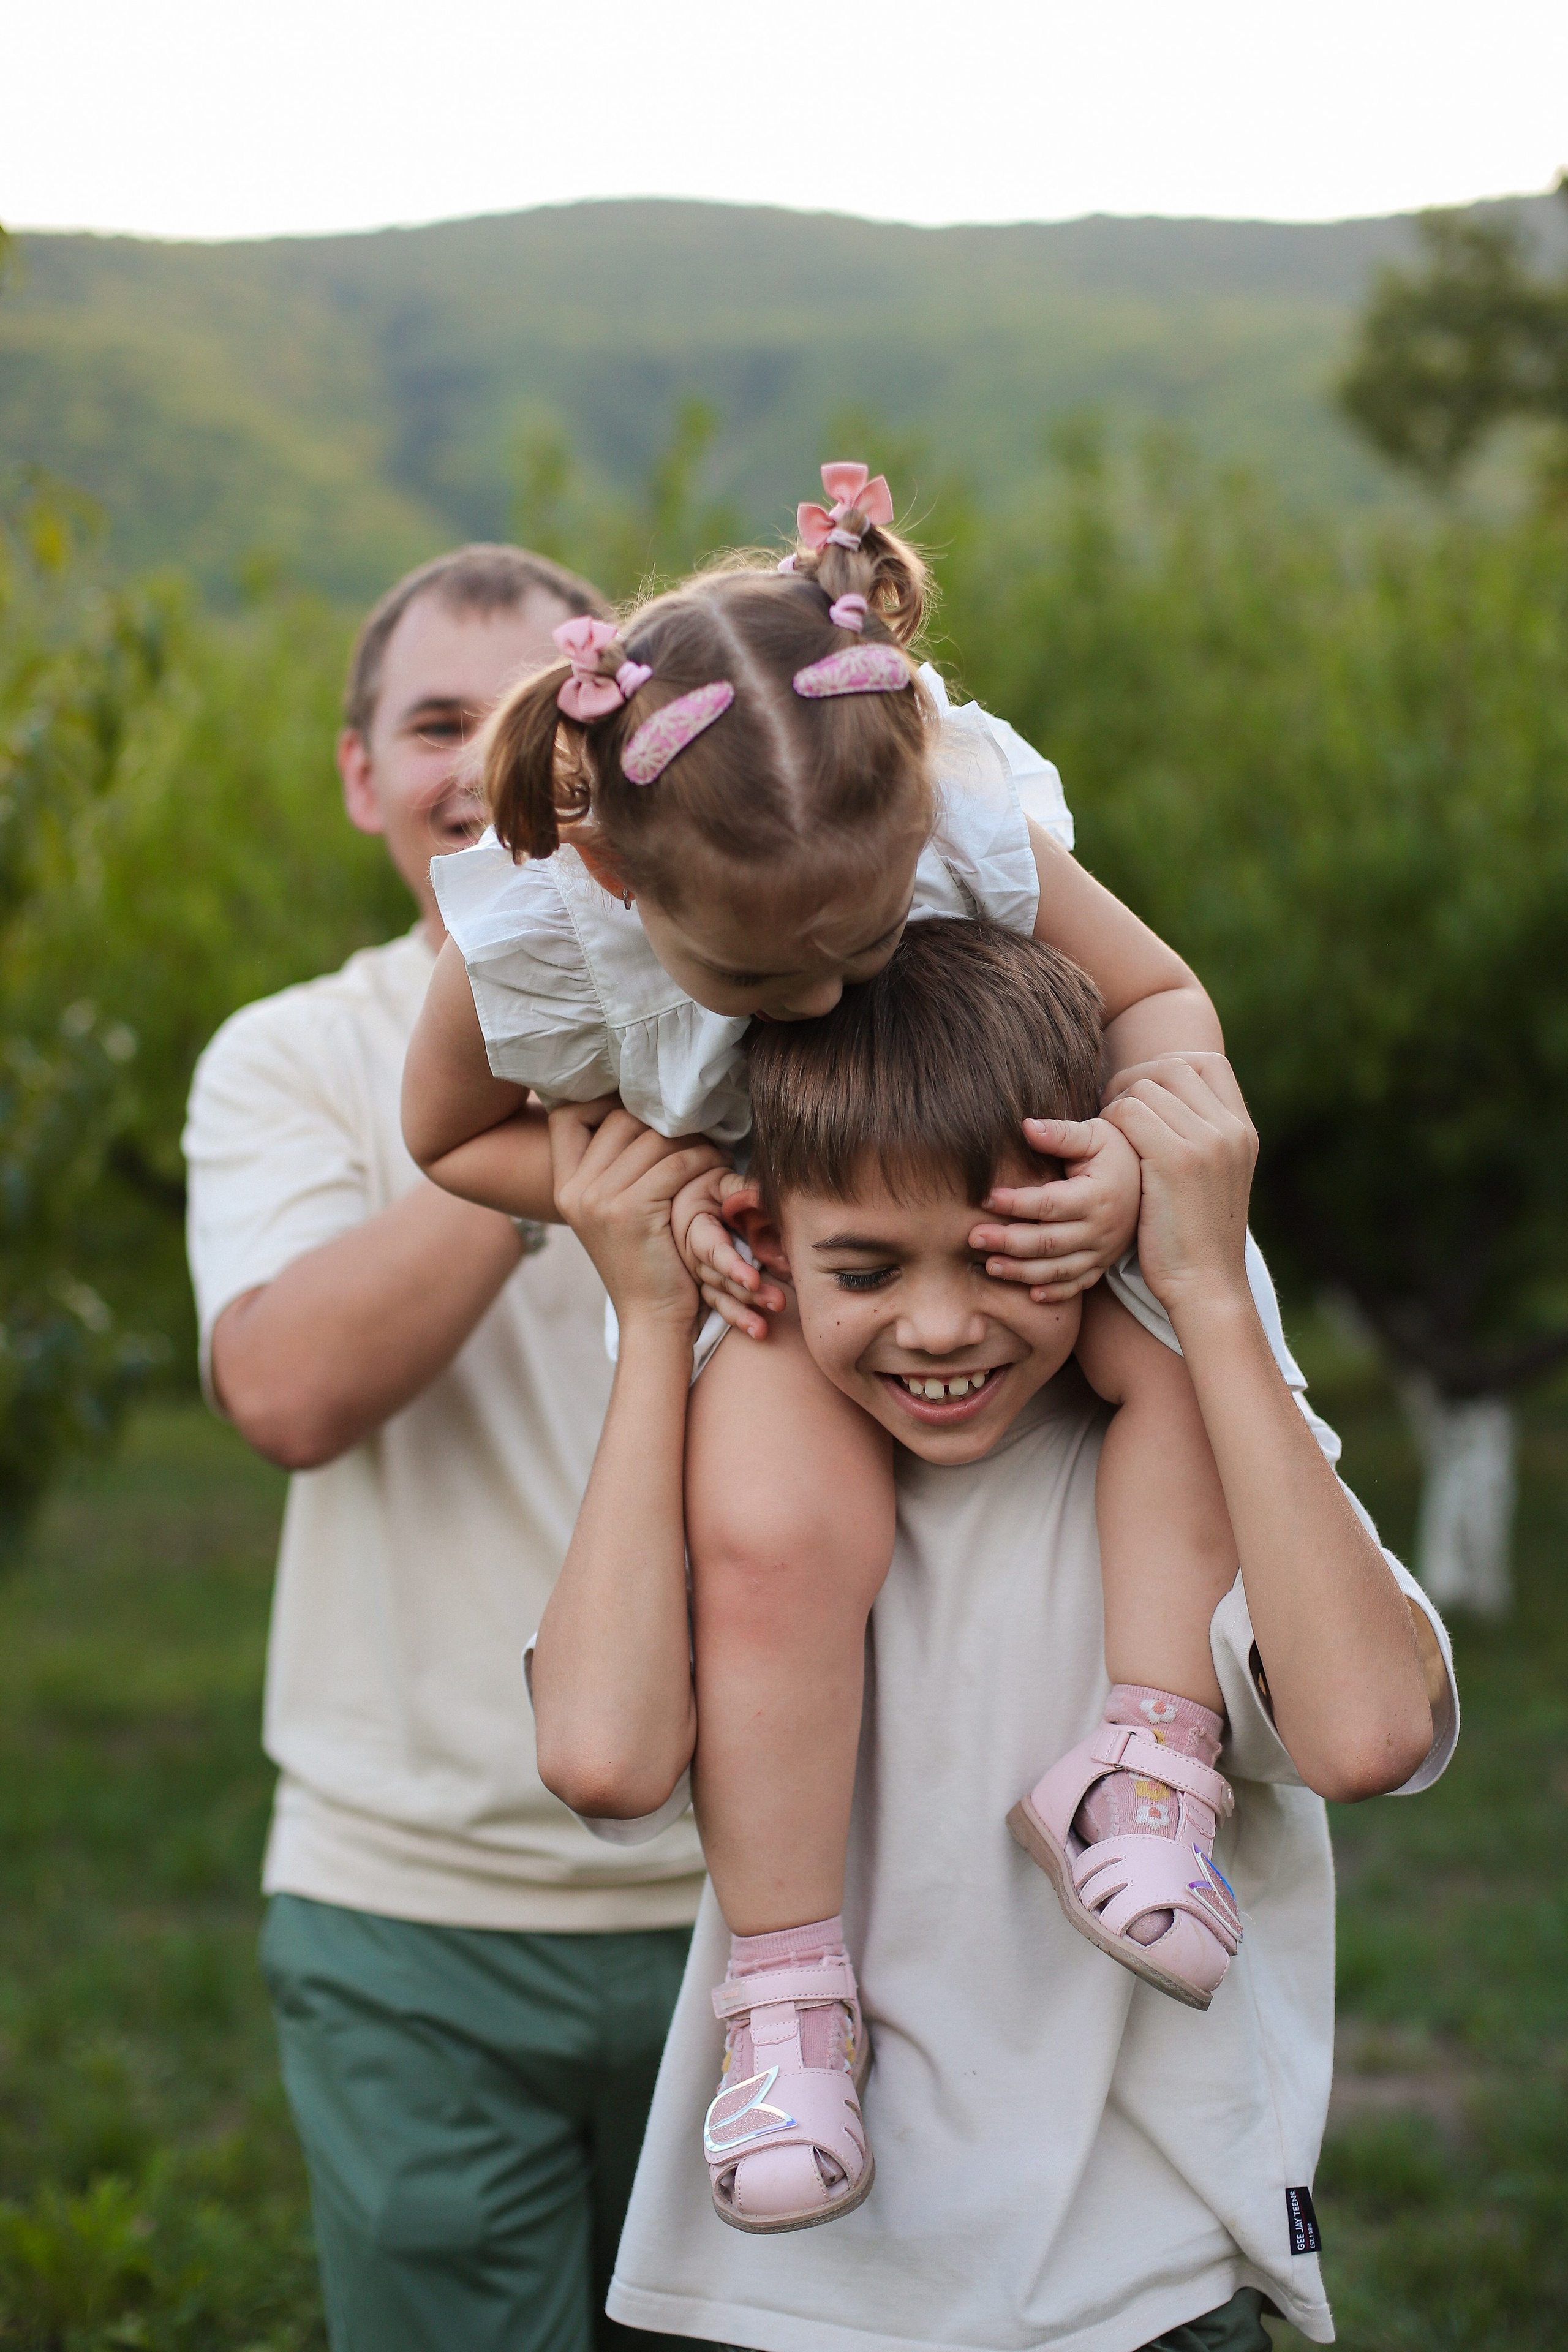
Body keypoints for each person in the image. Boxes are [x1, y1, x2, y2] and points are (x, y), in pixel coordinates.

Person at [404, 467, 1286, 2226]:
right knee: (770, 1534)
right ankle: (792, 1999)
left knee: (1185, 1378)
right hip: (787, 1280)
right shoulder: (543, 918)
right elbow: (451, 1140)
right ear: (612, 869)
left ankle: (1145, 1770)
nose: (826, 995)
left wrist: (1125, 1152)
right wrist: (631, 1198)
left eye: (869, 942)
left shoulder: (955, 808)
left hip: (1009, 1207)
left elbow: (1165, 999)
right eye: (762, 983)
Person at [530, 917, 1457, 2352]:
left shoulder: (1197, 1472)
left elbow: (1368, 1733)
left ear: (1092, 1208)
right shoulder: (746, 1500)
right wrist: (652, 1327)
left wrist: (1207, 1286)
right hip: (780, 2298)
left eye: (1002, 1251)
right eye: (864, 1272)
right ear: (768, 1245)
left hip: (1134, 2291)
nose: (940, 1328)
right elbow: (600, 1757)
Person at [182, 545, 710, 2352]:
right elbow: (286, 1395)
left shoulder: (771, 1017)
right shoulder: (287, 1059)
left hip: (776, 1899)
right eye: (432, 726)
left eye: (531, 716)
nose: (475, 766)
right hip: (410, 1916)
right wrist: (536, 1138)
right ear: (359, 774)